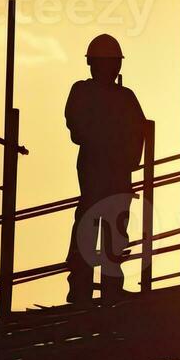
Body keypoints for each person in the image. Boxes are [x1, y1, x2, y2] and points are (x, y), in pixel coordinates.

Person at [64, 34, 147, 304]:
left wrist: (129, 159)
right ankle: (80, 289)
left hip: (115, 172)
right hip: (97, 170)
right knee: (91, 225)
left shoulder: (124, 97)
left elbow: (139, 131)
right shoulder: (84, 92)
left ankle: (108, 288)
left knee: (113, 231)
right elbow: (76, 128)